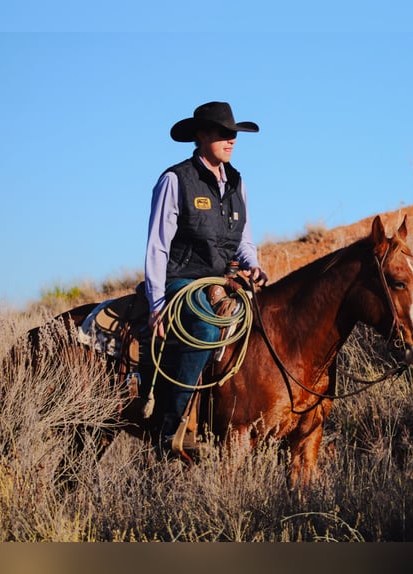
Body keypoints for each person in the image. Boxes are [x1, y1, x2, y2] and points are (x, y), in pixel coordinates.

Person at [144, 101, 268, 452]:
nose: (231, 140)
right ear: (200, 137)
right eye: (223, 133)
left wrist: (254, 266)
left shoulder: (236, 183)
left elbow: (243, 238)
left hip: (224, 278)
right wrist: (157, 304)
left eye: (233, 134)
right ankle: (170, 426)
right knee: (205, 327)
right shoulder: (175, 179)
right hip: (182, 279)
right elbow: (157, 246)